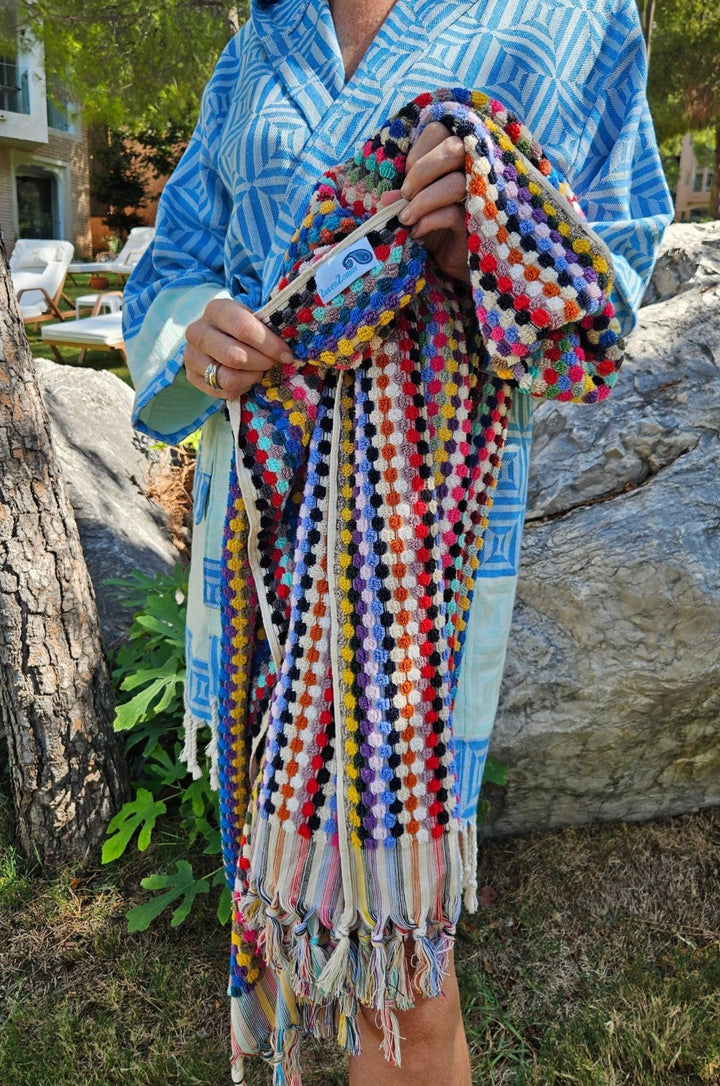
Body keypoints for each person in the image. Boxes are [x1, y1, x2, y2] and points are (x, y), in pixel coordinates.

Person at [123, 2, 673, 1083]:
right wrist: (196, 330)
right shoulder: (257, 48)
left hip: (424, 550)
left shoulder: (566, 18)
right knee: (273, 927)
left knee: (403, 981)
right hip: (259, 544)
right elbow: (169, 268)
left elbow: (615, 263)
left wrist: (490, 237)